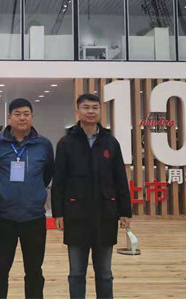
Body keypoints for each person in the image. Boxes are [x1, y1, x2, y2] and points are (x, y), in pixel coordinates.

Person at [51, 94, 132, 299]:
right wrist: (58, 212)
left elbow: (120, 179)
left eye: (95, 107)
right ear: (77, 111)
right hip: (75, 214)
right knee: (76, 273)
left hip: (105, 213)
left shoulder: (110, 142)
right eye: (86, 107)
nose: (90, 111)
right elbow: (58, 180)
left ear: (100, 111)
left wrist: (125, 211)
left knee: (104, 273)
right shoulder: (66, 143)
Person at [0, 98, 54, 299]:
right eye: (17, 114)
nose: (22, 118)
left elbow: (47, 174)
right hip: (3, 218)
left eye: (26, 114)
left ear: (32, 117)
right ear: (9, 117)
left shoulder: (44, 145)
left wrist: (34, 194)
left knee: (34, 271)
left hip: (34, 218)